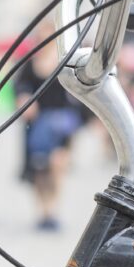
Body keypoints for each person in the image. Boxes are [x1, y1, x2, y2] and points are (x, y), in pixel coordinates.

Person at [15, 31, 82, 231]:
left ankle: (53, 209)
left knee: (57, 165)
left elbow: (78, 92)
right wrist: (24, 98)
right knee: (39, 170)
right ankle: (42, 211)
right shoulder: (30, 64)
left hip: (60, 125)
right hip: (35, 125)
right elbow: (19, 86)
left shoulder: (66, 62)